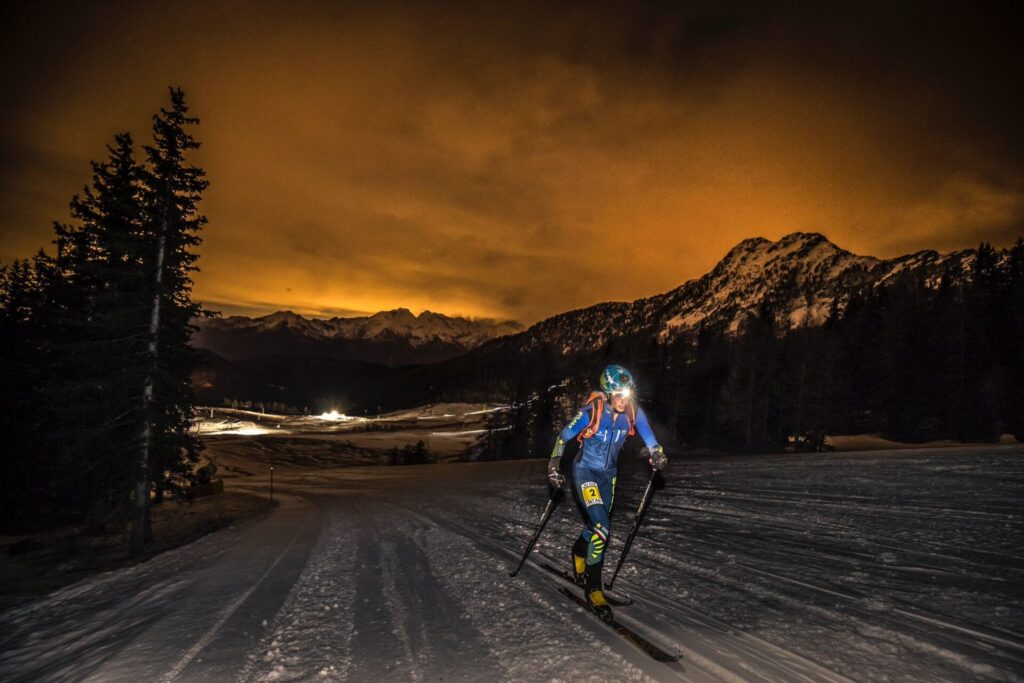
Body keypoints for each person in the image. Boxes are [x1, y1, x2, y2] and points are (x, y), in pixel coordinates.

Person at [548, 364, 667, 620]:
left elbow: (649, 436)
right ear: (608, 392)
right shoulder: (592, 412)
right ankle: (593, 589)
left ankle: (579, 551)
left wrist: (656, 453)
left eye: (628, 394)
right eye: (619, 395)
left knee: (595, 526)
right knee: (602, 526)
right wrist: (553, 464)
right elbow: (563, 436)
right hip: (585, 473)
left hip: (608, 477)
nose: (624, 400)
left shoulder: (633, 412)